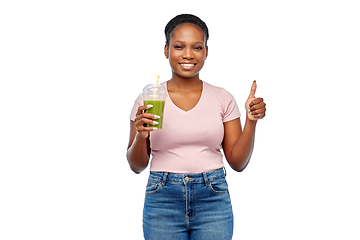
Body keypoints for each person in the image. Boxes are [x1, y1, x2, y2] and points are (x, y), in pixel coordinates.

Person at [127, 14, 266, 240]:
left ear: (206, 52)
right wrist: (141, 136)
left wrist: (251, 121)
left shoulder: (222, 98)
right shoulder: (148, 100)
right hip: (162, 199)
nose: (188, 54)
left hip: (213, 197)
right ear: (166, 50)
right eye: (179, 46)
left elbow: (238, 163)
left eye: (197, 47)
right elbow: (136, 166)